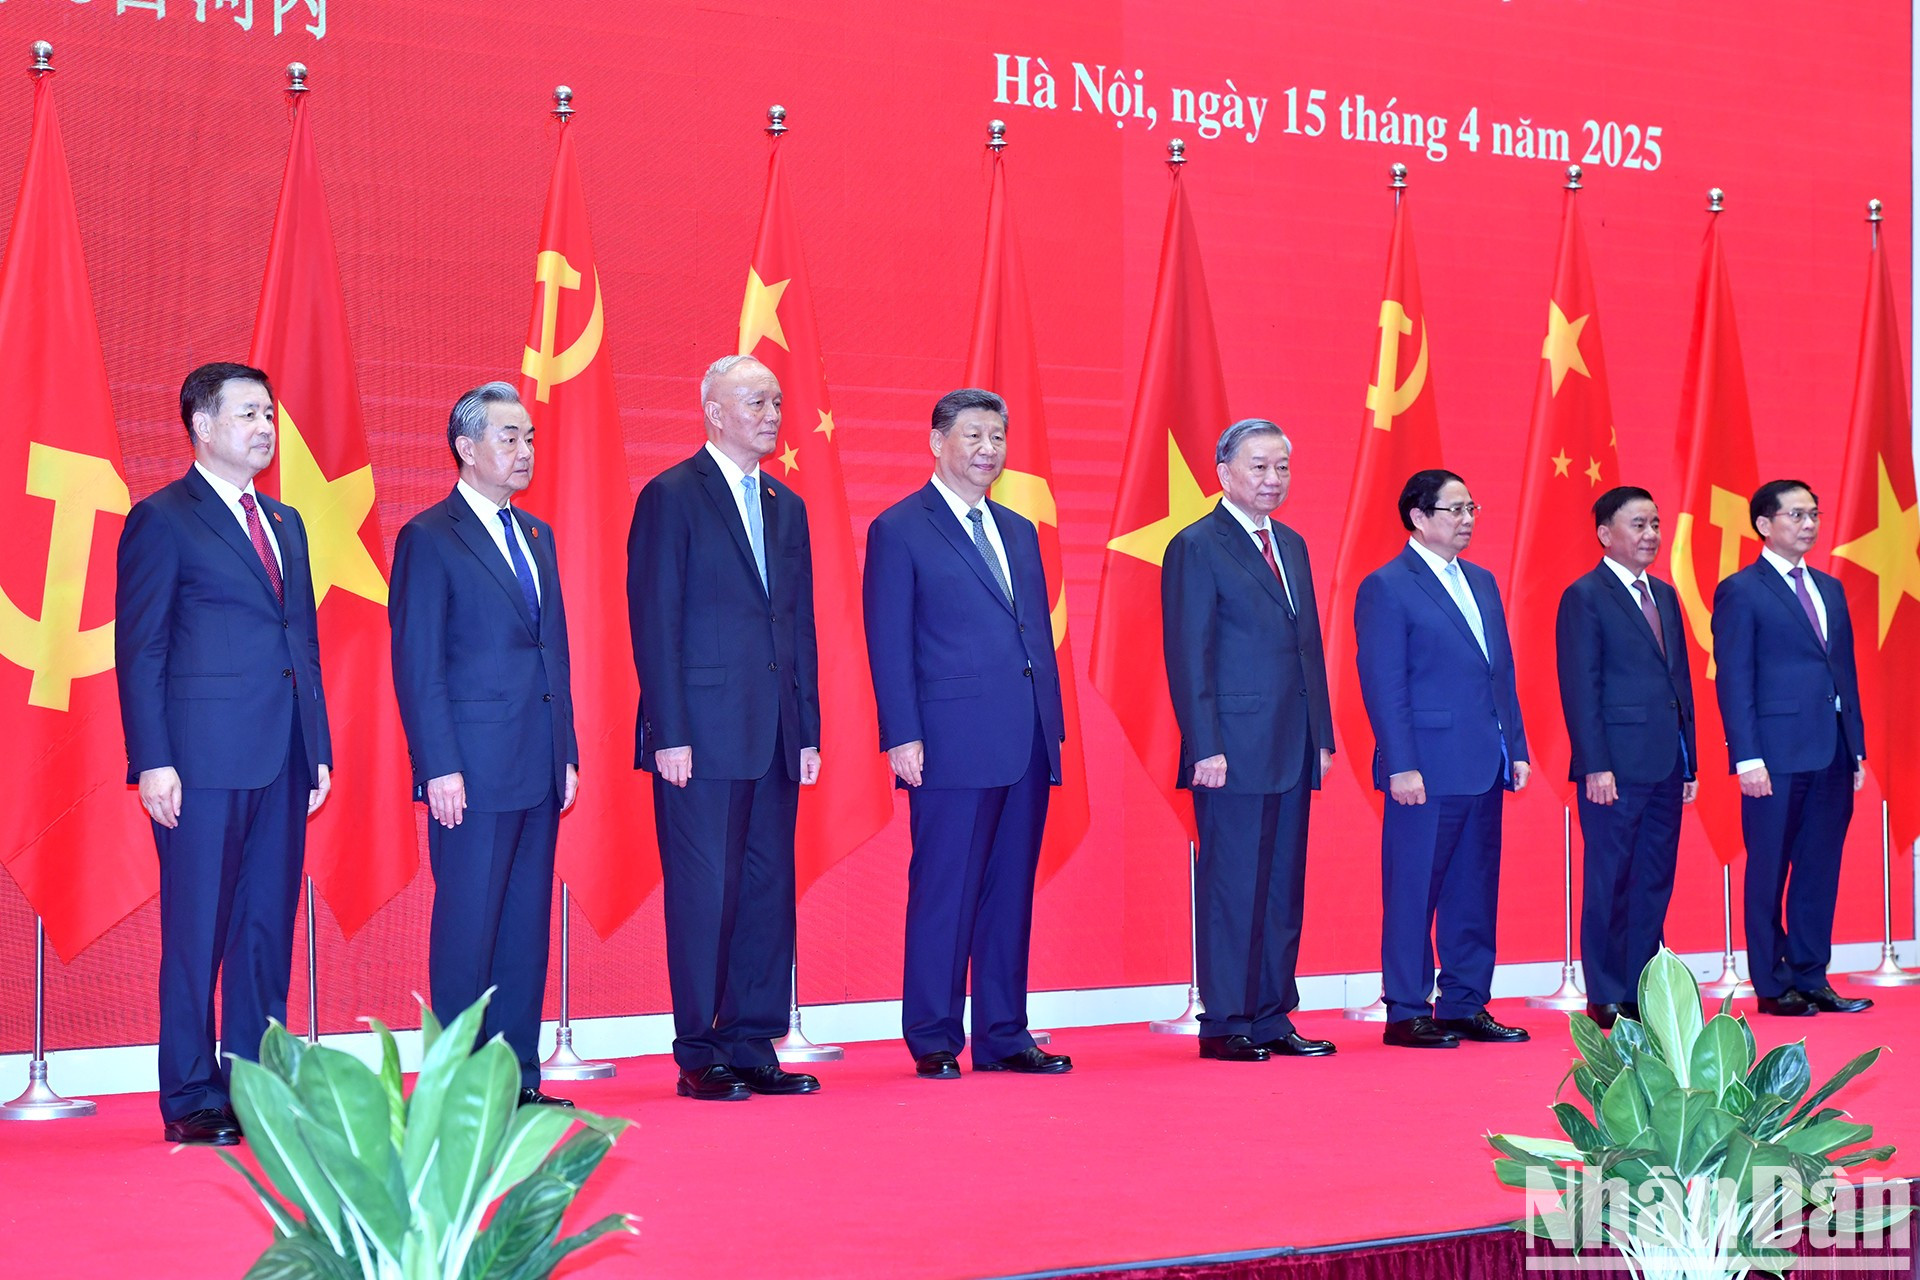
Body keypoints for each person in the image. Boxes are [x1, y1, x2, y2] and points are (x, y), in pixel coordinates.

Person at [116, 362, 333, 1145]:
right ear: (202, 427)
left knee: (264, 929)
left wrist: (318, 747)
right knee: (198, 930)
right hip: (199, 763)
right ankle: (190, 1096)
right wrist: (154, 760)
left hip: (282, 756)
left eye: (269, 413)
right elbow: (140, 650)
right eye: (248, 413)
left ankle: (257, 1087)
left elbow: (300, 642)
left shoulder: (286, 523)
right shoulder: (163, 519)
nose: (264, 427)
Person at [629, 354, 823, 1100]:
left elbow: (797, 624)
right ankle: (699, 1049)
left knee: (767, 890)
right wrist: (668, 732)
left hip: (774, 732)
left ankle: (752, 1041)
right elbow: (656, 621)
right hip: (699, 736)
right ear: (713, 411)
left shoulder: (786, 505)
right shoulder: (672, 497)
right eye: (755, 402)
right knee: (705, 892)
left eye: (777, 400)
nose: (772, 414)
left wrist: (806, 728)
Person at [863, 388, 1070, 1079]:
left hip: (1026, 740)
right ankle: (933, 1035)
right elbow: (888, 642)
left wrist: (1053, 723)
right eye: (974, 436)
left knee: (1010, 892)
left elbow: (1032, 634)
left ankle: (1006, 1033)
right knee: (945, 890)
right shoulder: (900, 528)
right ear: (937, 442)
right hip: (948, 741)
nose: (988, 451)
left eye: (997, 439)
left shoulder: (1019, 529)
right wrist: (902, 733)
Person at [390, 381, 579, 1108]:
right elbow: (418, 663)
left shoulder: (537, 536)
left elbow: (551, 654)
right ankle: (454, 1092)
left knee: (524, 933)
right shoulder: (430, 538)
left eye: (529, 438)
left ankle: (516, 1082)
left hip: (536, 765)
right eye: (510, 438)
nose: (525, 451)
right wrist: (438, 764)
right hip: (469, 770)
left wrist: (566, 751)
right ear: (466, 449)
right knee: (468, 931)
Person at [1161, 419, 1336, 1063]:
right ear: (1224, 473)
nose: (1273, 479)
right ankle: (1226, 1020)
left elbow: (1307, 647)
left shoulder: (1291, 543)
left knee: (1283, 887)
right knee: (1234, 886)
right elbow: (1189, 652)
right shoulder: (1197, 545)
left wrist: (1320, 731)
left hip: (1292, 744)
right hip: (1230, 748)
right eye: (1259, 467)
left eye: (1282, 467)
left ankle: (1271, 1016)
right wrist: (1203, 745)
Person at [1355, 469, 1532, 1049]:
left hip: (1483, 761)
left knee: (1474, 889)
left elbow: (1499, 673)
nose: (1467, 520)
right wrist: (1401, 763)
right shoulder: (1388, 585)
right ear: (1419, 517)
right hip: (1424, 769)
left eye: (1471, 508)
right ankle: (1407, 1009)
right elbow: (1385, 684)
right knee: (1413, 889)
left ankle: (1464, 1003)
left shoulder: (1480, 581)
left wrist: (1518, 746)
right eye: (1454, 510)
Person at [1712, 479, 1871, 1017]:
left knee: (1818, 869)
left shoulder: (1829, 587)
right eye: (1797, 515)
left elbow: (1843, 671)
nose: (1809, 525)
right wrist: (1747, 756)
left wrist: (1856, 748)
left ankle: (1811, 975)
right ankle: (1773, 985)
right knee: (1768, 870)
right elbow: (1733, 678)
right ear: (1764, 523)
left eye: (1814, 515)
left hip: (1831, 752)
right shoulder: (1742, 589)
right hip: (1773, 759)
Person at [1555, 486, 1696, 1030]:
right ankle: (1607, 991)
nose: (1651, 535)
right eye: (1638, 525)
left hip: (1665, 763)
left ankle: (1645, 988)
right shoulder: (1585, 596)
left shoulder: (1664, 594)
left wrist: (1691, 761)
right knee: (1610, 879)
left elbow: (1678, 683)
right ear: (1605, 534)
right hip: (1614, 766)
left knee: (1654, 878)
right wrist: (1595, 763)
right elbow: (1580, 686)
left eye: (1655, 524)